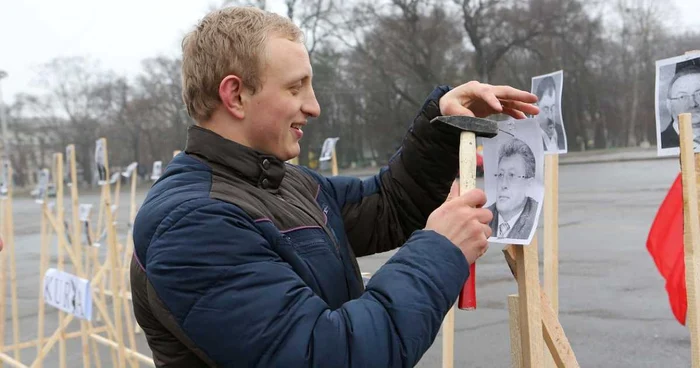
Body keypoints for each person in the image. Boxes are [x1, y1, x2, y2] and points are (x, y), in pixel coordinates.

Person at [130, 6, 539, 367]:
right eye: (295, 87)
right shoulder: (192, 224)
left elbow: (388, 205)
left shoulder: (287, 182)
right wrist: (439, 250)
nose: (314, 105)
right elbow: (328, 354)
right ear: (235, 95)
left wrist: (445, 125)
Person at [487, 138, 539, 240]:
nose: (503, 184)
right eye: (500, 175)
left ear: (529, 183)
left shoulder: (536, 216)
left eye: (512, 175)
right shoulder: (485, 216)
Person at [660, 59, 700, 149]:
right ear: (669, 105)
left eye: (699, 94)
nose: (692, 104)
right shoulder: (664, 144)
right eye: (682, 97)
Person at [533, 75, 565, 152]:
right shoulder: (531, 135)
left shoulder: (560, 131)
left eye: (553, 108)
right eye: (546, 109)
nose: (550, 116)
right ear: (536, 106)